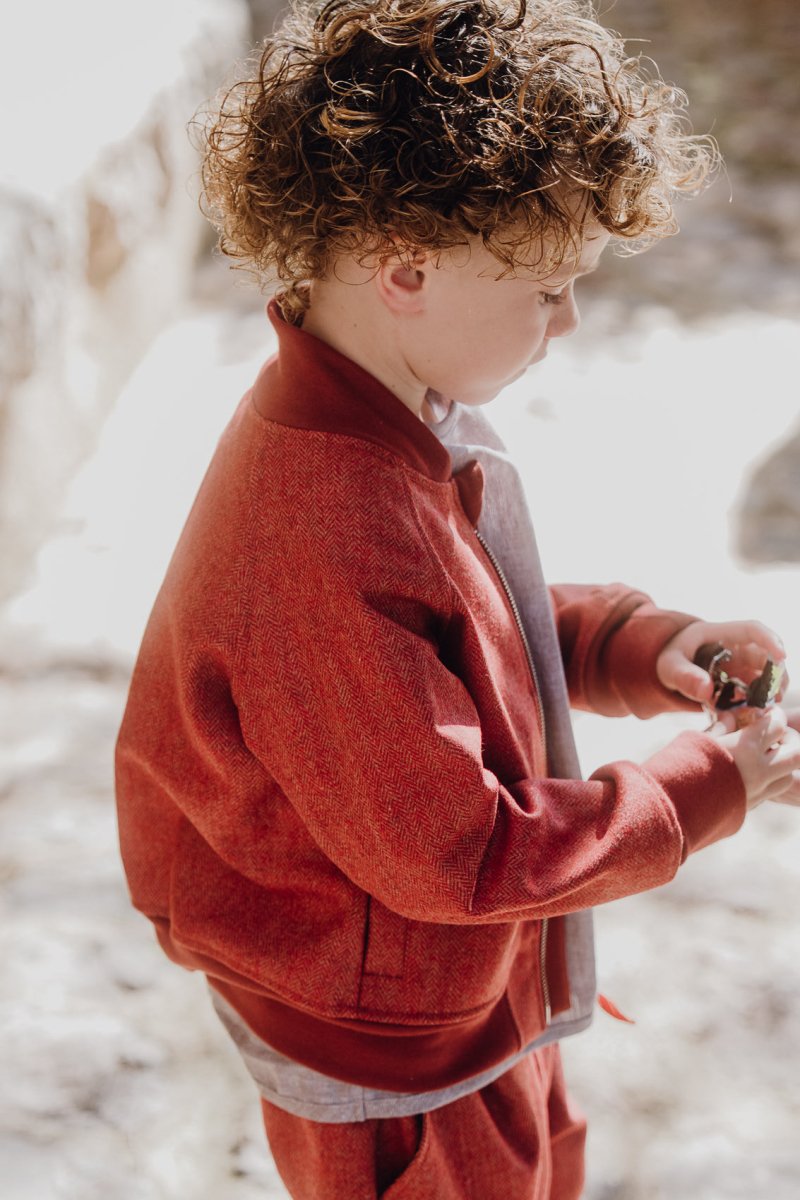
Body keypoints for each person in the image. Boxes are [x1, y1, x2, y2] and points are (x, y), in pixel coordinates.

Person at [114, 1, 800, 1196]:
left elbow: (466, 625)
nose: (567, 321)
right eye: (545, 290)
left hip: (452, 985)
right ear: (407, 271)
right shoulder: (317, 530)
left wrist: (647, 647)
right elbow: (455, 855)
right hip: (391, 1062)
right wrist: (699, 790)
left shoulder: (377, 416)